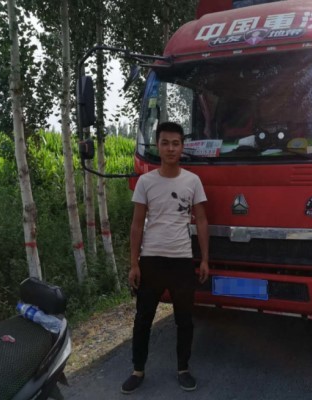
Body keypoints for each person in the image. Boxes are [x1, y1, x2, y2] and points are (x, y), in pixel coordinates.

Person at [122, 121, 209, 394]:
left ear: (182, 147)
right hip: (151, 261)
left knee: (184, 319)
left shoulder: (192, 181)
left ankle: (183, 369)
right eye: (165, 143)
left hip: (182, 260)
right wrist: (134, 263)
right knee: (143, 318)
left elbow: (203, 222)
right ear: (157, 146)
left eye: (176, 143)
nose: (171, 148)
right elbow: (137, 225)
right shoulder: (146, 182)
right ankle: (138, 369)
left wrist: (204, 259)